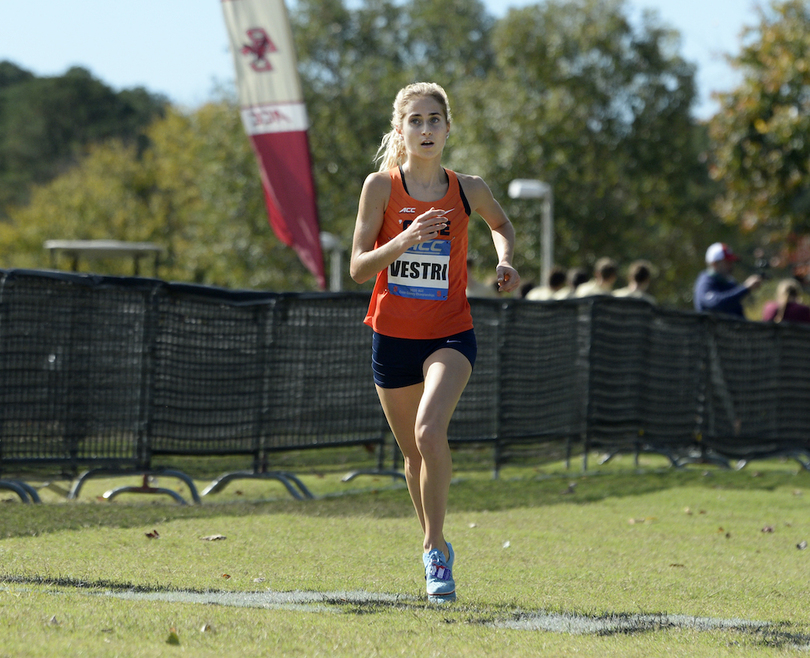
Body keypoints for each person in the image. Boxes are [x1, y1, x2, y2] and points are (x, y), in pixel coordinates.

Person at [349, 82, 520, 604]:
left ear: (448, 128)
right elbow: (357, 268)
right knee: (412, 454)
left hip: (450, 332)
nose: (426, 129)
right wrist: (403, 240)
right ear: (400, 131)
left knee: (429, 431)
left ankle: (433, 551)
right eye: (415, 121)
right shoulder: (380, 188)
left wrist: (505, 259)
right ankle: (438, 541)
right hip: (392, 335)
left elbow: (502, 223)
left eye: (434, 120)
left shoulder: (467, 187)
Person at [693, 242, 761, 318]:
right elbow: (716, 304)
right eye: (727, 262)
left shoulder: (730, 283)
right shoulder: (705, 281)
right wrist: (745, 288)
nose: (731, 266)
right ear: (715, 264)